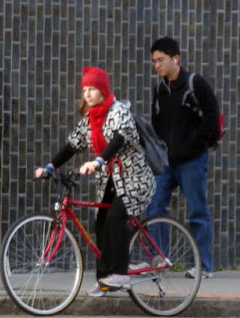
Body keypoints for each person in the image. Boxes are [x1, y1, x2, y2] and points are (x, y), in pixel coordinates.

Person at [35, 67, 156, 296]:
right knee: (100, 221)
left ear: (103, 90)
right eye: (84, 90)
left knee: (115, 216)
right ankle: (103, 279)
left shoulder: (119, 111)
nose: (87, 94)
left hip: (135, 180)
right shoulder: (90, 118)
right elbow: (73, 145)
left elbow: (119, 139)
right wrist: (50, 166)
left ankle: (120, 274)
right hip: (110, 179)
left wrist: (98, 161)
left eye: (92, 89)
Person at [146, 37, 220, 279]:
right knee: (154, 206)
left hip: (192, 160)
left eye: (161, 60)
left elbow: (212, 116)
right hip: (167, 162)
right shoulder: (160, 89)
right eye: (154, 61)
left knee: (197, 211)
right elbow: (156, 122)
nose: (157, 65)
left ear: (175, 59)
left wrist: (197, 144)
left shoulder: (194, 83)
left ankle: (203, 266)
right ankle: (160, 260)